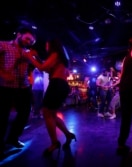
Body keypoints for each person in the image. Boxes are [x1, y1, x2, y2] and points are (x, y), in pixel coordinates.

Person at [24, 38, 76, 156]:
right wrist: (36, 58)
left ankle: (54, 143)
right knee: (51, 114)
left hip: (57, 84)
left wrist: (29, 56)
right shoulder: (61, 57)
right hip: (60, 85)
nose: (46, 48)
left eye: (47, 45)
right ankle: (68, 135)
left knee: (47, 113)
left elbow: (42, 68)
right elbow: (47, 68)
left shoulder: (55, 53)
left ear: (52, 46)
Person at [0, 26, 37, 158]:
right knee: (3, 116)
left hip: (23, 87)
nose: (29, 42)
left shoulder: (27, 52)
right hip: (6, 86)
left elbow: (32, 68)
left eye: (31, 42)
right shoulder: (3, 45)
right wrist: (3, 73)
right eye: (28, 39)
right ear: (19, 34)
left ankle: (13, 138)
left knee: (25, 113)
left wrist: (32, 59)